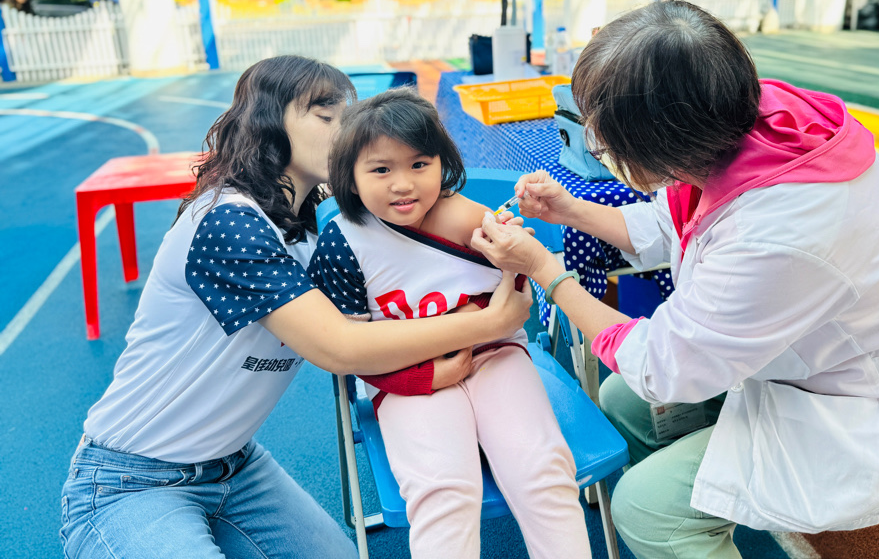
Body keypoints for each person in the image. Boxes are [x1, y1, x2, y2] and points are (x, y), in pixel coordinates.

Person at [469, 0, 879, 559]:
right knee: (620, 397)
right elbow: (672, 223)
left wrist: (546, 271)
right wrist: (571, 210)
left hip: (871, 416)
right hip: (809, 362)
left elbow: (662, 367)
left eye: (606, 143)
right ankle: (697, 511)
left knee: (644, 508)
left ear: (663, 138)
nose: (599, 151)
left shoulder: (781, 230)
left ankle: (676, 525)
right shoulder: (745, 121)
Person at [60, 56, 532, 559]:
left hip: (235, 468)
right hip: (132, 481)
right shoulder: (228, 220)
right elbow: (340, 346)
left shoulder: (312, 231)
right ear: (269, 125)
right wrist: (491, 322)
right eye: (326, 116)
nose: (347, 130)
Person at [308, 87, 591, 559]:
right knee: (443, 491)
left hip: (495, 355)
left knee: (542, 471)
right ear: (350, 179)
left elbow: (516, 294)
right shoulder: (342, 244)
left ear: (442, 163)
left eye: (419, 164)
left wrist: (512, 249)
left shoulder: (467, 218)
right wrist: (422, 376)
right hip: (404, 377)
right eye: (381, 170)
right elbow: (349, 349)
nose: (403, 184)